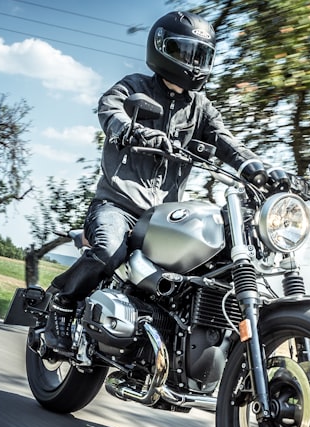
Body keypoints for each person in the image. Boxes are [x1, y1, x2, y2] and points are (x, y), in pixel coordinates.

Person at [43, 10, 267, 351]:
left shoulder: (200, 108)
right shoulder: (134, 86)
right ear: (161, 49)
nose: (192, 63)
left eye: (200, 55)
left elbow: (226, 141)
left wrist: (257, 168)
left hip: (163, 217)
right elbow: (110, 108)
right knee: (107, 250)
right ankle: (61, 302)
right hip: (118, 204)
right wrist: (132, 130)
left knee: (212, 264)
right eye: (184, 52)